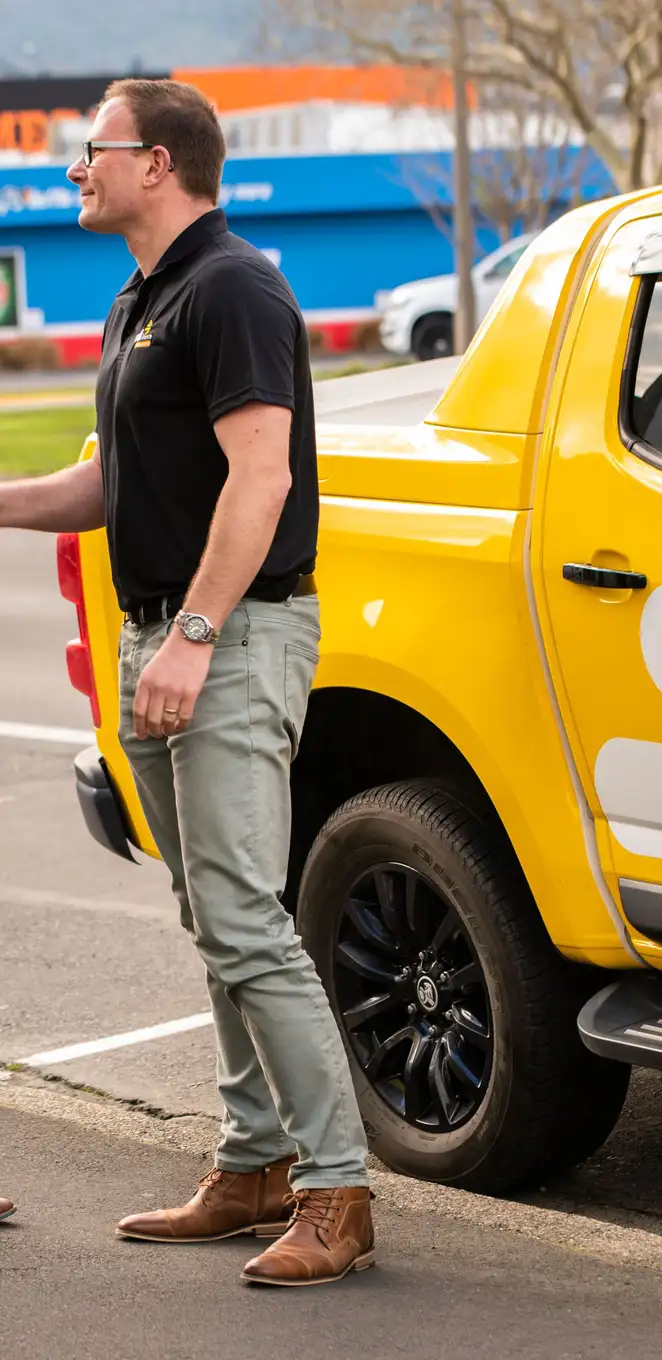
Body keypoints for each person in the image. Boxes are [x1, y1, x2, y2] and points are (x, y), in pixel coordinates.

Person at [0, 79, 373, 1287]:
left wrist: (197, 635)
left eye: (88, 154)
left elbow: (257, 478)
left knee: (249, 920)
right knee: (210, 913)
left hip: (233, 635)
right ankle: (253, 1160)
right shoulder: (138, 301)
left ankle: (335, 1193)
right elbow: (104, 484)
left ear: (156, 162)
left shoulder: (234, 287)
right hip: (159, 633)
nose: (73, 172)